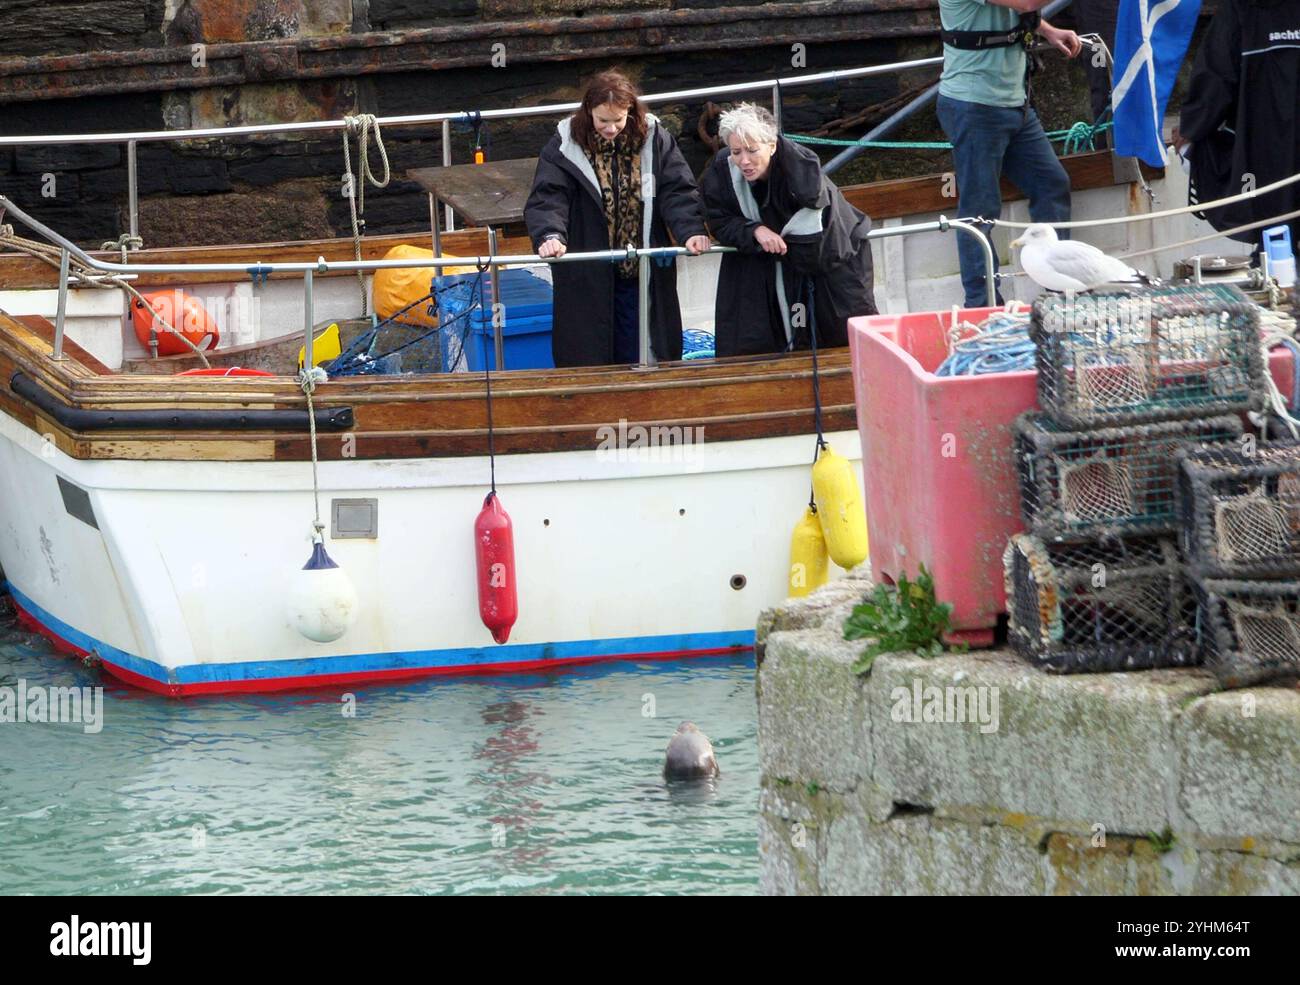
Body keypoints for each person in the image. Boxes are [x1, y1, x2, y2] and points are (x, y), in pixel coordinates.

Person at [524, 70, 711, 367]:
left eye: (618, 121)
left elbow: (677, 190)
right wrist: (550, 235)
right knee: (589, 349)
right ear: (589, 113)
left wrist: (690, 230)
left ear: (630, 113)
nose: (610, 129)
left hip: (642, 269)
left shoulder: (656, 139)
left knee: (641, 346)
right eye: (602, 121)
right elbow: (549, 196)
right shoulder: (564, 146)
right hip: (587, 271)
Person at [935, 0, 1084, 307]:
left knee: (1051, 184)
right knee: (979, 208)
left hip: (1015, 104)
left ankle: (1058, 293)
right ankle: (982, 304)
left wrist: (1047, 30)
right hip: (974, 105)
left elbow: (1015, 9)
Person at [700, 103, 878, 357]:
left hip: (834, 265)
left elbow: (823, 246)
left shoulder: (803, 175)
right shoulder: (722, 170)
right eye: (736, 152)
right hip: (767, 264)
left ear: (772, 146)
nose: (744, 161)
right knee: (752, 338)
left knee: (840, 336)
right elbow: (718, 218)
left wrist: (781, 243)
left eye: (752, 151)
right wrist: (754, 230)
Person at [1175, 0, 1300, 253]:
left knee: (1274, 231)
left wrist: (1190, 128)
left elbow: (1215, 79)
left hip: (1266, 150)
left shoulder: (1240, 10)